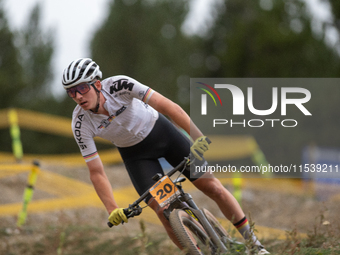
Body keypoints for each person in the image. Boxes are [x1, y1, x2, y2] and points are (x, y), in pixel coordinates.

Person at [62, 58, 269, 254]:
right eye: (71, 92)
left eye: (82, 88)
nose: (78, 96)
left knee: (213, 187)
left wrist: (197, 137)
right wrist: (112, 208)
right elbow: (96, 171)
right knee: (164, 212)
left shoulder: (120, 85)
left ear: (97, 84)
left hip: (164, 135)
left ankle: (255, 244)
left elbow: (168, 107)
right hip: (138, 157)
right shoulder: (80, 123)